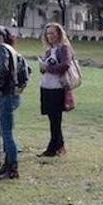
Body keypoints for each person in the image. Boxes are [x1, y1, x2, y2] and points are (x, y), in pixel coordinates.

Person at [0, 26, 23, 180]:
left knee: (6, 132)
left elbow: (2, 71)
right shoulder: (12, 50)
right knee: (5, 130)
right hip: (12, 93)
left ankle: (13, 168)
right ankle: (8, 164)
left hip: (6, 94)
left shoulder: (2, 50)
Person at [37, 22, 74, 157]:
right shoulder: (49, 50)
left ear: (59, 34)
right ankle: (60, 146)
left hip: (57, 89)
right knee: (52, 118)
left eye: (52, 33)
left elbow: (65, 65)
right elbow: (46, 68)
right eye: (47, 33)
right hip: (46, 87)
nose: (50, 36)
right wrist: (42, 68)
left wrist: (49, 68)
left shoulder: (63, 48)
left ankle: (52, 148)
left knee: (55, 119)